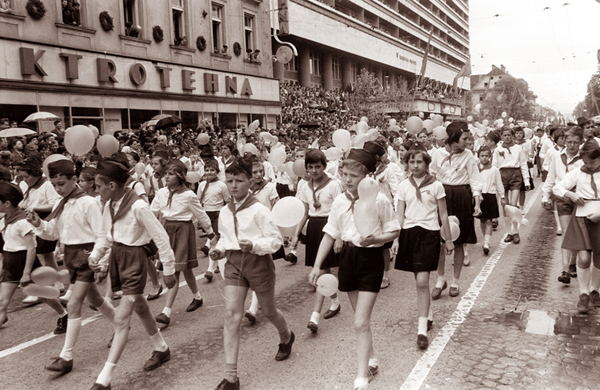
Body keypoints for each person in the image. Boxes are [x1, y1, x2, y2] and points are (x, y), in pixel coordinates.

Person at [308, 149, 400, 390]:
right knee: (361, 319)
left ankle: (361, 377)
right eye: (344, 174)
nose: (347, 180)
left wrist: (377, 239)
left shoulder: (379, 200)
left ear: (367, 177)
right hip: (348, 258)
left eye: (353, 176)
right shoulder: (339, 201)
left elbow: (395, 229)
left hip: (370, 259)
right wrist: (317, 266)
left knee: (360, 321)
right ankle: (371, 359)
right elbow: (330, 233)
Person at [88, 159, 177, 389]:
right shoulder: (109, 205)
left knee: (121, 319)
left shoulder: (138, 207)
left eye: (98, 186)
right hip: (119, 257)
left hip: (135, 261)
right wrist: (96, 256)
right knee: (140, 306)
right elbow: (107, 235)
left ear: (112, 185)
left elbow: (160, 236)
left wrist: (168, 268)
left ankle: (104, 379)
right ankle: (161, 348)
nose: (96, 191)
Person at [209, 157, 294, 390]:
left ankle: (286, 336)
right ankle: (231, 378)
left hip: (258, 264)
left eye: (239, 180)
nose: (233, 185)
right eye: (230, 180)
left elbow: (276, 242)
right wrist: (218, 251)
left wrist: (255, 246)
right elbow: (225, 239)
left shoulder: (259, 210)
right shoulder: (225, 212)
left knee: (268, 311)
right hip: (234, 265)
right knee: (231, 316)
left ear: (249, 181)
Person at [26, 160, 116, 376]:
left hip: (86, 256)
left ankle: (66, 356)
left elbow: (102, 234)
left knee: (75, 304)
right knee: (95, 299)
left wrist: (99, 259)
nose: (58, 189)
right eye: (54, 184)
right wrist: (38, 223)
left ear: (74, 179)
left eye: (61, 184)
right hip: (70, 256)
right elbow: (54, 233)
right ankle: (122, 325)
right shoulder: (62, 203)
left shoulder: (88, 203)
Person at [394, 148, 453, 349]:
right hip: (409, 233)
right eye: (412, 162)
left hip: (429, 233)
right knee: (419, 281)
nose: (415, 166)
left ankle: (421, 331)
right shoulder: (403, 186)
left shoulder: (436, 185)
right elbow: (400, 215)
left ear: (426, 164)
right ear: (407, 164)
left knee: (422, 280)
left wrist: (449, 239)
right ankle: (427, 314)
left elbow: (443, 214)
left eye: (419, 162)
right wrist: (395, 239)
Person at [151, 160, 214, 328]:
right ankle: (198, 297)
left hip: (183, 231)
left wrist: (210, 232)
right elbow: (152, 212)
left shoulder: (188, 195)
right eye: (165, 174)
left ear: (179, 176)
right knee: (185, 268)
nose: (166, 177)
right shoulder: (162, 193)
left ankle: (166, 311)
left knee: (175, 270)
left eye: (170, 174)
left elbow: (201, 214)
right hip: (167, 230)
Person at [0, 182, 68, 333]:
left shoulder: (22, 221)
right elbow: (6, 248)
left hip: (25, 262)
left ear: (7, 203)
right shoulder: (4, 220)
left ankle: (63, 314)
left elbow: (31, 248)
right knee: (2, 300)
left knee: (41, 294)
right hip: (11, 263)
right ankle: (2, 316)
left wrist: (26, 273)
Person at [430, 122, 482, 299]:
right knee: (440, 241)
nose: (468, 141)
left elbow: (475, 180)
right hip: (442, 195)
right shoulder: (437, 154)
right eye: (464, 138)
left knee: (459, 242)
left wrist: (477, 203)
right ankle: (440, 280)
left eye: (469, 138)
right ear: (453, 138)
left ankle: (455, 282)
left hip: (462, 196)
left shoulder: (469, 156)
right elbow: (431, 176)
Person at [293, 149, 342, 334]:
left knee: (321, 271)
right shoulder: (304, 186)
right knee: (324, 270)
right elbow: (304, 213)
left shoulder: (334, 185)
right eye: (310, 167)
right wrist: (297, 235)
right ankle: (335, 302)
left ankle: (314, 315)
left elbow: (339, 213)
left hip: (329, 225)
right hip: (314, 227)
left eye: (318, 167)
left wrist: (337, 237)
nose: (314, 171)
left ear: (325, 166)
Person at [553, 139, 600, 314]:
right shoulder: (578, 172)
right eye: (586, 162)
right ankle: (584, 293)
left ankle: (595, 290)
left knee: (599, 257)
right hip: (581, 219)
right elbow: (557, 188)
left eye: (593, 162)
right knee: (584, 258)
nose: (589, 166)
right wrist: (571, 194)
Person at [245, 156, 284, 324]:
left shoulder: (269, 188)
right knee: (259, 269)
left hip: (266, 232)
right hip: (251, 232)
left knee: (261, 269)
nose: (259, 174)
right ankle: (261, 299)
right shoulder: (246, 189)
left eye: (261, 171)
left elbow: (276, 206)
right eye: (255, 172)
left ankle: (254, 307)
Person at [543, 127, 584, 284]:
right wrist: (545, 195)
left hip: (581, 199)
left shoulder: (583, 158)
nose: (572, 145)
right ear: (564, 141)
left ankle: (573, 261)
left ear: (580, 142)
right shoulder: (557, 156)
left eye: (575, 142)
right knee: (567, 232)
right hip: (562, 197)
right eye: (569, 142)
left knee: (578, 232)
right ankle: (565, 269)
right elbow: (551, 177)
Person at [365, 140, 404, 289]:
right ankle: (371, 273)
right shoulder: (364, 171)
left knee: (384, 247)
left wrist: (395, 211)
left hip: (384, 211)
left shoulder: (387, 170)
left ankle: (385, 275)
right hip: (368, 211)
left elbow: (395, 191)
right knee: (369, 242)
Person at [493, 127, 530, 245]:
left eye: (509, 135)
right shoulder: (497, 149)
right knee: (505, 206)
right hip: (502, 175)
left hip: (515, 175)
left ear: (512, 136)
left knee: (513, 205)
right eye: (504, 135)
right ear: (501, 136)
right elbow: (494, 166)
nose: (507, 137)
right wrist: (494, 183)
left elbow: (523, 164)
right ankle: (509, 232)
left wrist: (527, 181)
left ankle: (515, 232)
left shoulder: (518, 148)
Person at [197, 158, 230, 281]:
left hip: (218, 214)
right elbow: (198, 201)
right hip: (206, 215)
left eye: (212, 170)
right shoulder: (201, 185)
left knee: (217, 240)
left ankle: (211, 269)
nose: (209, 172)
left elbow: (227, 201)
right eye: (207, 170)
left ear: (217, 171)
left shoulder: (222, 185)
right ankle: (215, 266)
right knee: (213, 240)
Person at [475, 147, 505, 255]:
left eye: (486, 156)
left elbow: (499, 183)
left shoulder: (494, 170)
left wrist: (502, 196)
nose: (484, 158)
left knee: (488, 220)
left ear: (490, 157)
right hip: (479, 196)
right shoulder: (476, 169)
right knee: (482, 220)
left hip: (490, 195)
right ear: (478, 157)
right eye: (482, 156)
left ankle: (487, 243)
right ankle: (485, 239)